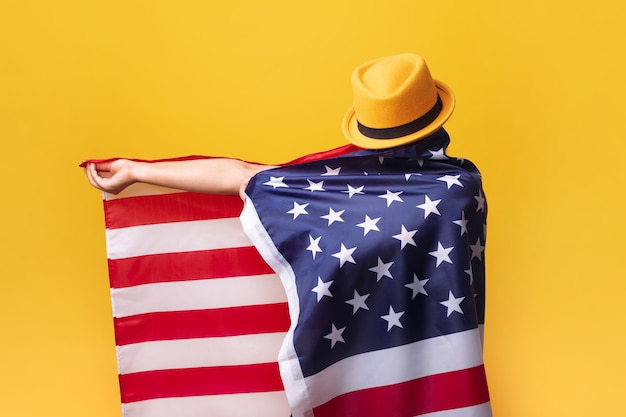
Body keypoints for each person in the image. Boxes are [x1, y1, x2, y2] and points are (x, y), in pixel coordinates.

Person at [85, 53, 491, 417]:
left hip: (365, 363)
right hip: (430, 371)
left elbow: (243, 176)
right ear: (437, 114)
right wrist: (137, 171)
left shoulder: (336, 189)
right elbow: (246, 176)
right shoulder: (460, 186)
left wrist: (138, 171)